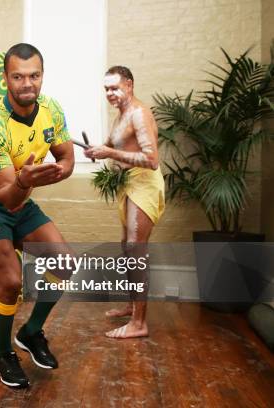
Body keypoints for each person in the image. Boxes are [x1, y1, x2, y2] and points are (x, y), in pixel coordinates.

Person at [0, 43, 75, 388]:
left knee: (65, 265)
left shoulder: (52, 108)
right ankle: (3, 355)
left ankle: (30, 332)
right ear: (5, 79)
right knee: (10, 282)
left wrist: (62, 170)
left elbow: (65, 157)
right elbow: (6, 197)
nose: (28, 84)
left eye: (34, 75)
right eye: (18, 76)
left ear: (42, 75)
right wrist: (25, 178)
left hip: (22, 201)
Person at [84, 66, 165, 339]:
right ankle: (132, 306)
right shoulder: (121, 116)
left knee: (135, 249)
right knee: (127, 248)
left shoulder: (139, 114)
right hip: (128, 185)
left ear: (129, 85)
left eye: (115, 88)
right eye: (106, 89)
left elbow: (152, 160)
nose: (110, 93)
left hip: (144, 183)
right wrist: (97, 149)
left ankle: (139, 323)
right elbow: (111, 145)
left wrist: (108, 151)